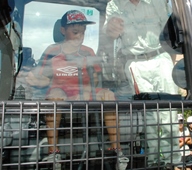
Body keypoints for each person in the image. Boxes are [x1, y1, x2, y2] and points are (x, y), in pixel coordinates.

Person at [26, 10, 128, 170]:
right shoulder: (51, 51)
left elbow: (95, 79)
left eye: (83, 32)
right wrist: (32, 79)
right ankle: (53, 152)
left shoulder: (88, 52)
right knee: (55, 95)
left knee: (109, 95)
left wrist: (93, 90)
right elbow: (42, 77)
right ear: (63, 30)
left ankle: (117, 152)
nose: (80, 36)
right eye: (75, 32)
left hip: (85, 92)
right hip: (61, 92)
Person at [103, 0, 180, 166]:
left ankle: (173, 162)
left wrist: (172, 61)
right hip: (135, 64)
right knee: (149, 118)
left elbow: (171, 34)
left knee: (170, 115)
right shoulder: (113, 6)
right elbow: (109, 32)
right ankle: (156, 162)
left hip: (161, 59)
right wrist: (111, 30)